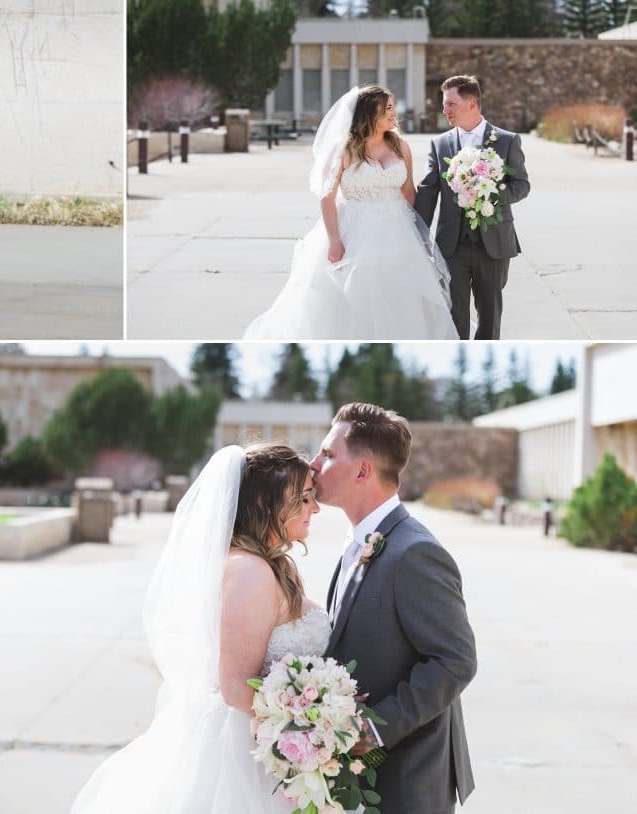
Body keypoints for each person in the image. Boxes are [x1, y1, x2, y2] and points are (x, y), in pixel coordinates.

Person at [70, 443, 326, 813]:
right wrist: (315, 725)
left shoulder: (261, 564)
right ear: (263, 503)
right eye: (302, 498)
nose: (314, 508)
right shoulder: (249, 570)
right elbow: (237, 688)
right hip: (245, 761)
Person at [311, 402, 477, 814]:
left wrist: (371, 729)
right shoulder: (359, 541)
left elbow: (455, 661)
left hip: (408, 778)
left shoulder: (414, 552)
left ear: (363, 471)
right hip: (362, 781)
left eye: (328, 454)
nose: (313, 464)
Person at [244, 85, 457, 340]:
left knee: (399, 295)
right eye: (388, 108)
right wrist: (334, 241)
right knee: (354, 294)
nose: (394, 113)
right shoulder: (344, 149)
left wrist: (417, 234)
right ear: (370, 113)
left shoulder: (401, 146)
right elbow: (327, 196)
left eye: (393, 107)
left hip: (398, 231)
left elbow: (409, 192)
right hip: (355, 229)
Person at [415, 74, 531, 339]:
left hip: (494, 244)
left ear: (472, 103)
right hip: (451, 246)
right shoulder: (439, 144)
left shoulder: (507, 140)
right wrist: (418, 234)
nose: (445, 110)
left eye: (451, 104)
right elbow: (428, 191)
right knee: (454, 321)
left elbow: (522, 185)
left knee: (490, 319)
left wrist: (491, 194)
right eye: (444, 105)